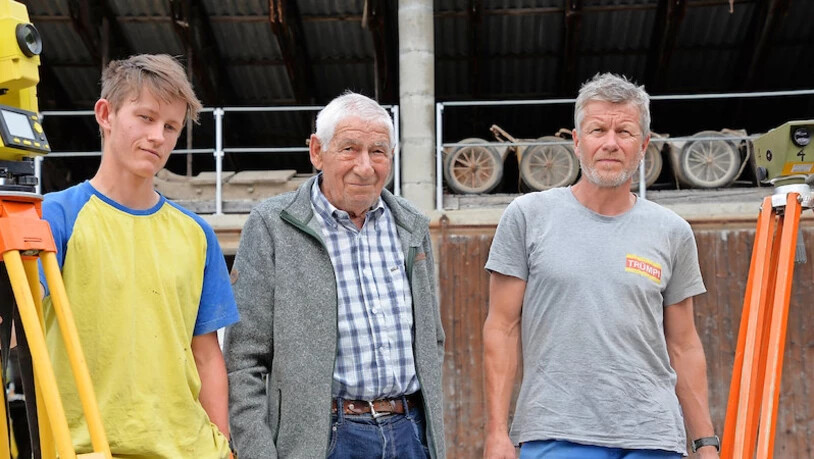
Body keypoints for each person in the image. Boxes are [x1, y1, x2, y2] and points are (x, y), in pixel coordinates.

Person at [482, 73, 719, 459]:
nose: (610, 143)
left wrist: (705, 442)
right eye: (597, 130)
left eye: (624, 132)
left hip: (652, 436)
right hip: (556, 431)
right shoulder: (528, 217)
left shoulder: (672, 232)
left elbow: (684, 344)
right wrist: (496, 432)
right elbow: (502, 328)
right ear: (577, 142)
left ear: (643, 146)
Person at [224, 91, 446, 458]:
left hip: (410, 433)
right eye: (349, 149)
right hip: (325, 440)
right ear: (316, 152)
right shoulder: (271, 225)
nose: (365, 166)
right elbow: (243, 360)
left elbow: (430, 339)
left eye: (378, 151)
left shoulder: (411, 225)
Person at [40, 54, 239, 458]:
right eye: (145, 118)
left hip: (190, 449)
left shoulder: (196, 234)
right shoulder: (55, 216)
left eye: (171, 127)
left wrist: (223, 444)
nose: (158, 137)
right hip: (84, 447)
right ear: (105, 114)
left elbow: (206, 354)